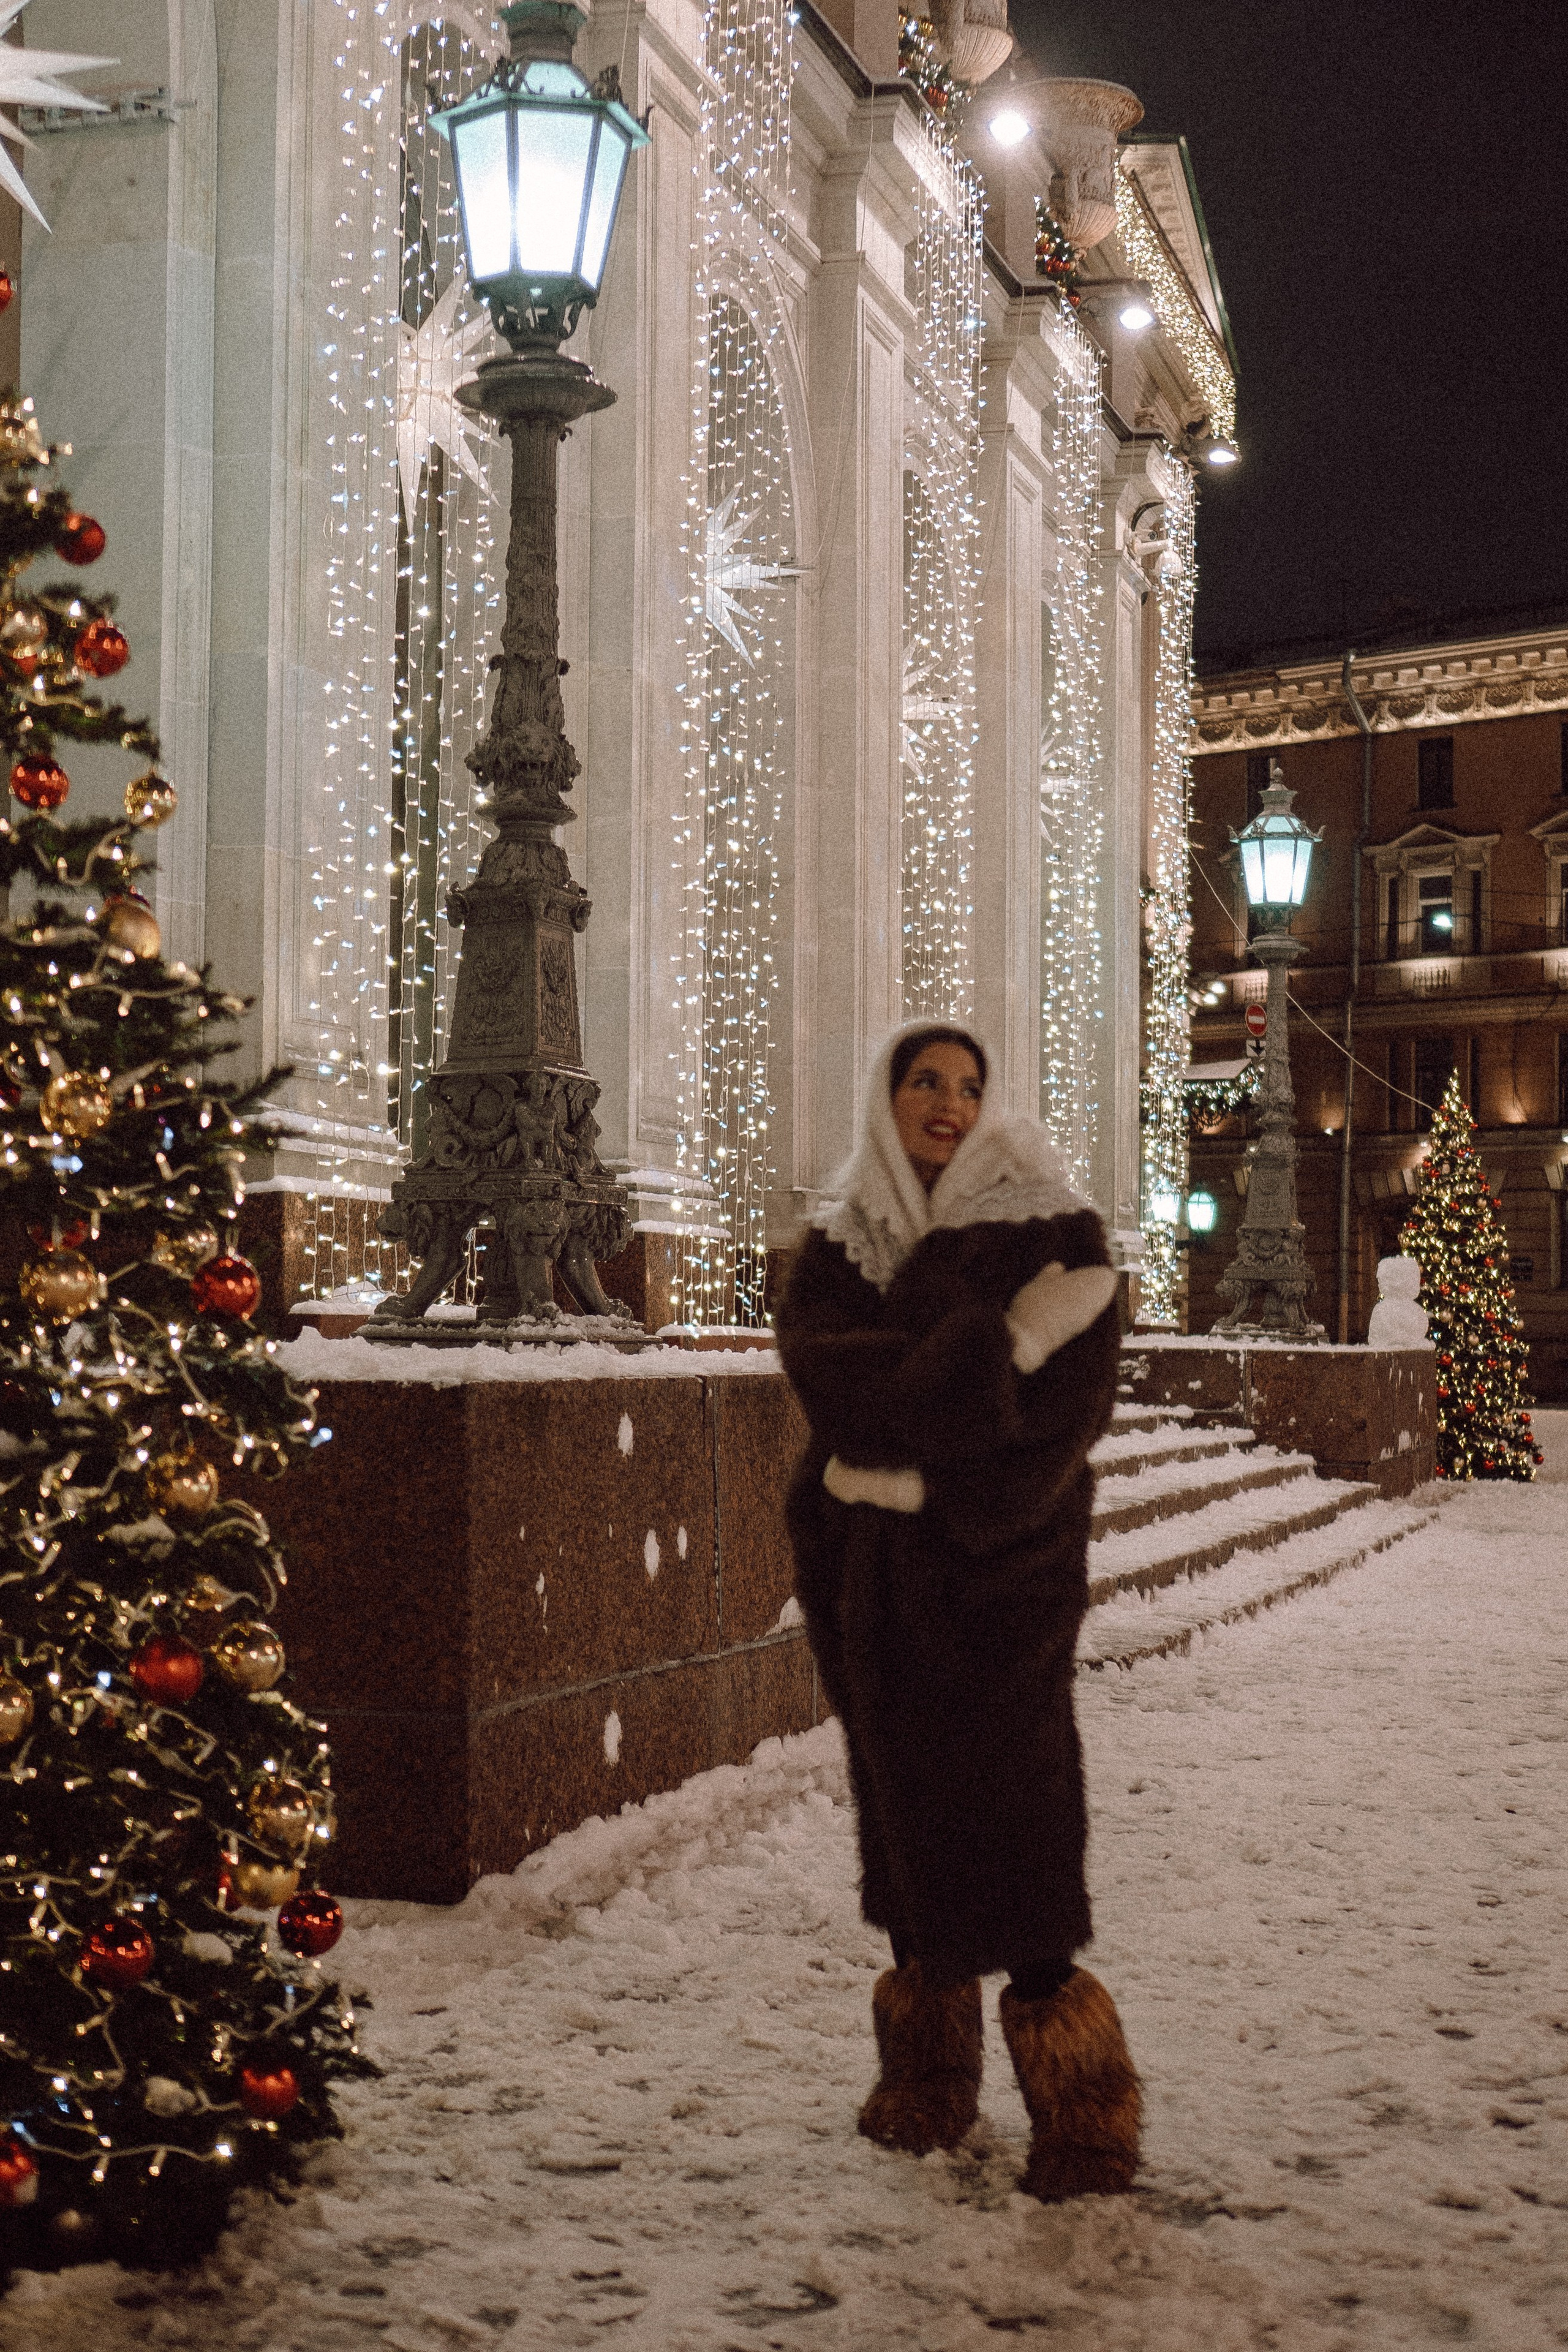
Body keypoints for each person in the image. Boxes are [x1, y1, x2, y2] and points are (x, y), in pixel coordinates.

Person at [774, 1019, 1140, 2203]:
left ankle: (1082, 2109)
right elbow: (832, 1378)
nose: (948, 1102)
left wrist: (928, 1461)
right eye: (925, 1082)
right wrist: (1001, 1342)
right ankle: (926, 2075)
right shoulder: (840, 1245)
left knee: (1022, 1831)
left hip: (1003, 1578)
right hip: (872, 1588)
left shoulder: (1052, 1226)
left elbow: (1062, 1424)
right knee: (905, 1821)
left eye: (970, 1086)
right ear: (887, 1100)